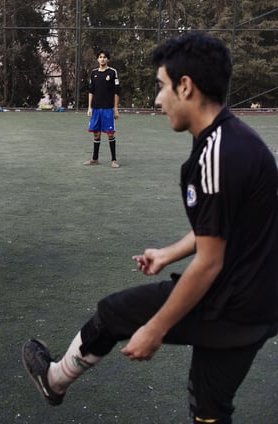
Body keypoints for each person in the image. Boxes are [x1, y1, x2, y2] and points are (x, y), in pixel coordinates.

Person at [23, 32, 278, 423]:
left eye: (161, 87)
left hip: (230, 301)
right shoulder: (239, 138)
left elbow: (210, 263)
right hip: (263, 303)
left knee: (113, 313)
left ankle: (55, 380)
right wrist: (170, 252)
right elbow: (230, 224)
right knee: (210, 408)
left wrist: (155, 328)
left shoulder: (215, 155)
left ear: (186, 86)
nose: (158, 100)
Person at [83, 49, 121, 168]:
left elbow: (117, 92)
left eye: (104, 57)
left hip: (108, 109)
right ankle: (94, 159)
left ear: (107, 59)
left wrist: (115, 108)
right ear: (97, 59)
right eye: (100, 57)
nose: (102, 59)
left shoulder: (112, 72)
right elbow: (91, 91)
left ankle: (114, 160)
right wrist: (89, 107)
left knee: (110, 134)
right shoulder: (94, 73)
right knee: (96, 134)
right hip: (96, 109)